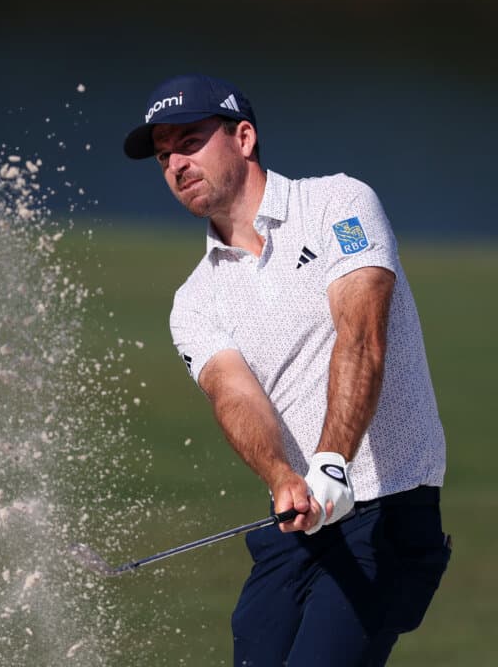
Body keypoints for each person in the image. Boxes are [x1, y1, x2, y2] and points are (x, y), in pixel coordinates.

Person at [123, 74, 450, 665]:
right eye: (163, 153)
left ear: (243, 137)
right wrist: (281, 476)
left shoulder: (338, 204)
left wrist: (331, 461)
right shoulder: (194, 301)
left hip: (389, 509)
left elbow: (362, 333)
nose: (175, 162)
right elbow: (235, 397)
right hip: (299, 519)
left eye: (189, 141)